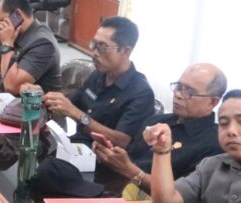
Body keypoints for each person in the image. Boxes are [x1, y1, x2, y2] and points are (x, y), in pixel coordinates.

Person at [93, 63, 225, 190]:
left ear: (212, 102)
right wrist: (110, 155)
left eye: (189, 92)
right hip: (117, 188)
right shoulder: (157, 121)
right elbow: (132, 158)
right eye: (178, 87)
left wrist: (129, 170)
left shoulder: (215, 144)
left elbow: (178, 194)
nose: (178, 95)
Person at [43, 17, 155, 147]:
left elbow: (122, 141)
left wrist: (78, 115)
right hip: (78, 146)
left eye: (102, 47)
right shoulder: (98, 75)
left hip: (103, 159)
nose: (94, 53)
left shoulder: (141, 93)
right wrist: (45, 97)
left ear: (125, 51)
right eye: (93, 44)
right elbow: (72, 102)